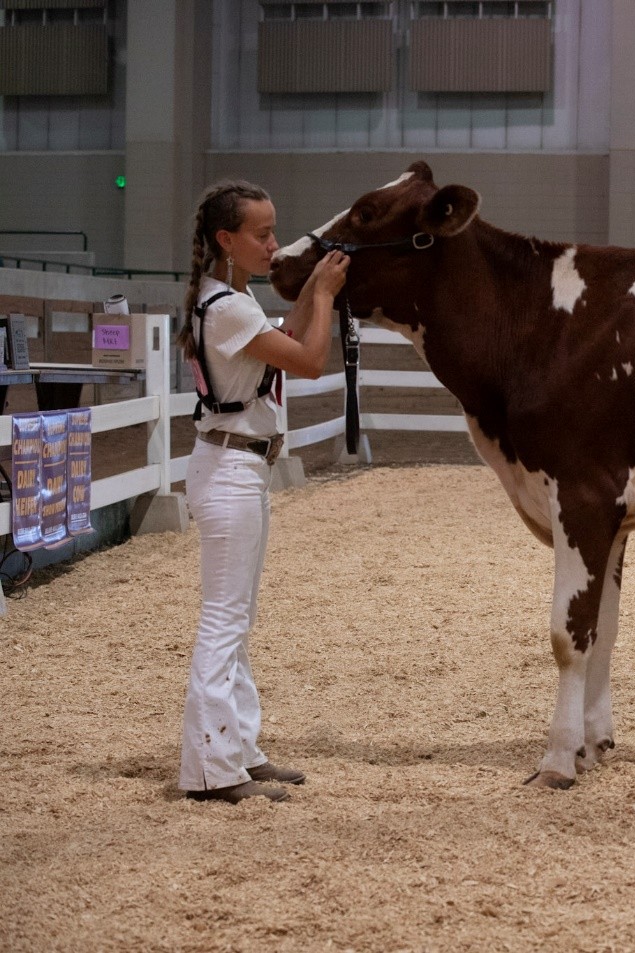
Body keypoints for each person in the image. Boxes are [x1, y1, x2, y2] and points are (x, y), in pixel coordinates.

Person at [176, 179, 348, 804]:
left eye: (274, 230)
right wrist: (323, 293)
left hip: (239, 467)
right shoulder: (225, 307)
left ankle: (239, 751)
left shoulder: (228, 302)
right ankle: (211, 772)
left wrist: (309, 294)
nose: (273, 243)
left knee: (236, 619)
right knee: (223, 621)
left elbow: (285, 338)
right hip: (229, 471)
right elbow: (308, 360)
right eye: (262, 234)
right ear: (227, 239)